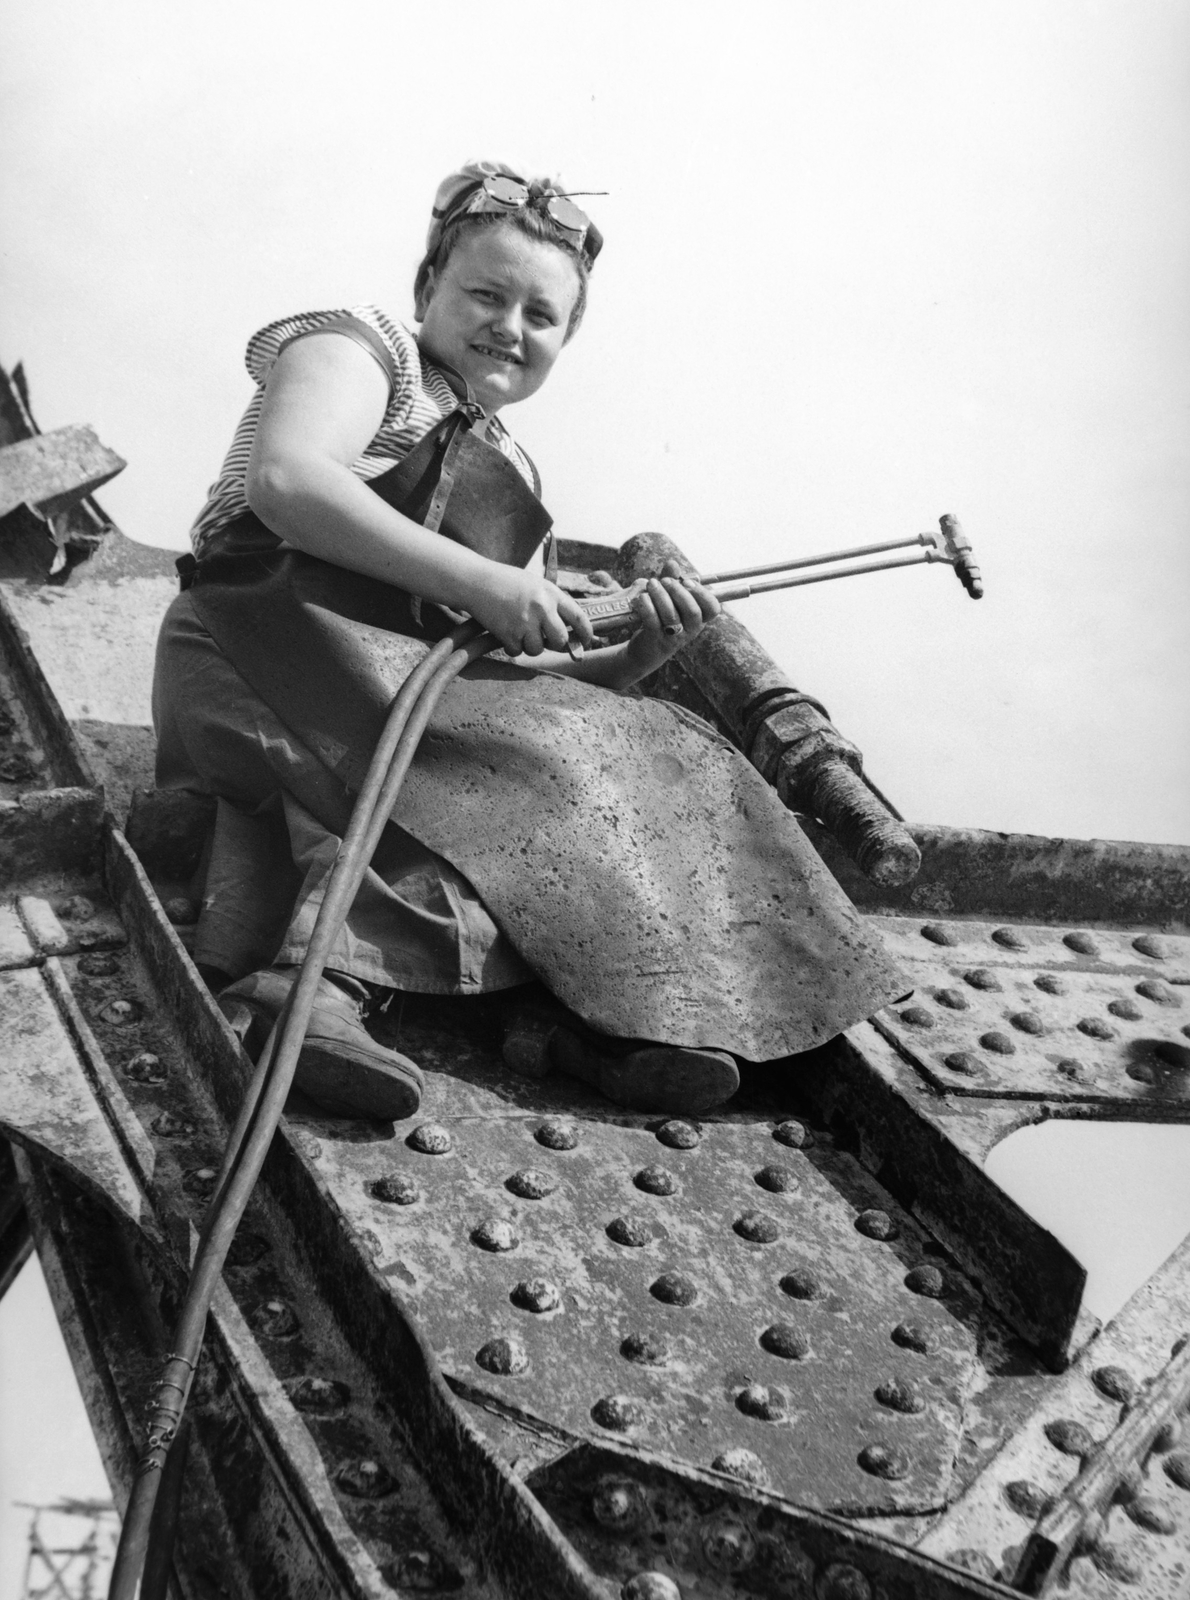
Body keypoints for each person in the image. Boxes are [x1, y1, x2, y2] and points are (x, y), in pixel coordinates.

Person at [153, 161, 904, 1123]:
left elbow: (515, 672)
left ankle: (606, 1013)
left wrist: (632, 659)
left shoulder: (515, 475)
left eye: (540, 316)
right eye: (485, 294)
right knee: (493, 783)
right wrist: (490, 582)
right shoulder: (362, 350)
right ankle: (314, 990)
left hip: (400, 695)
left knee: (646, 751)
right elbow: (291, 483)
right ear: (428, 289)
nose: (509, 326)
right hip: (260, 644)